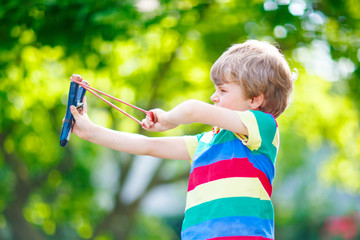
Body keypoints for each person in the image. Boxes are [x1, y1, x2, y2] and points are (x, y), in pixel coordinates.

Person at [69, 39, 294, 240]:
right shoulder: (207, 142)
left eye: (223, 90)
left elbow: (193, 110)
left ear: (255, 99)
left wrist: (167, 119)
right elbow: (147, 145)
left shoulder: (263, 128)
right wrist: (91, 131)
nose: (213, 96)